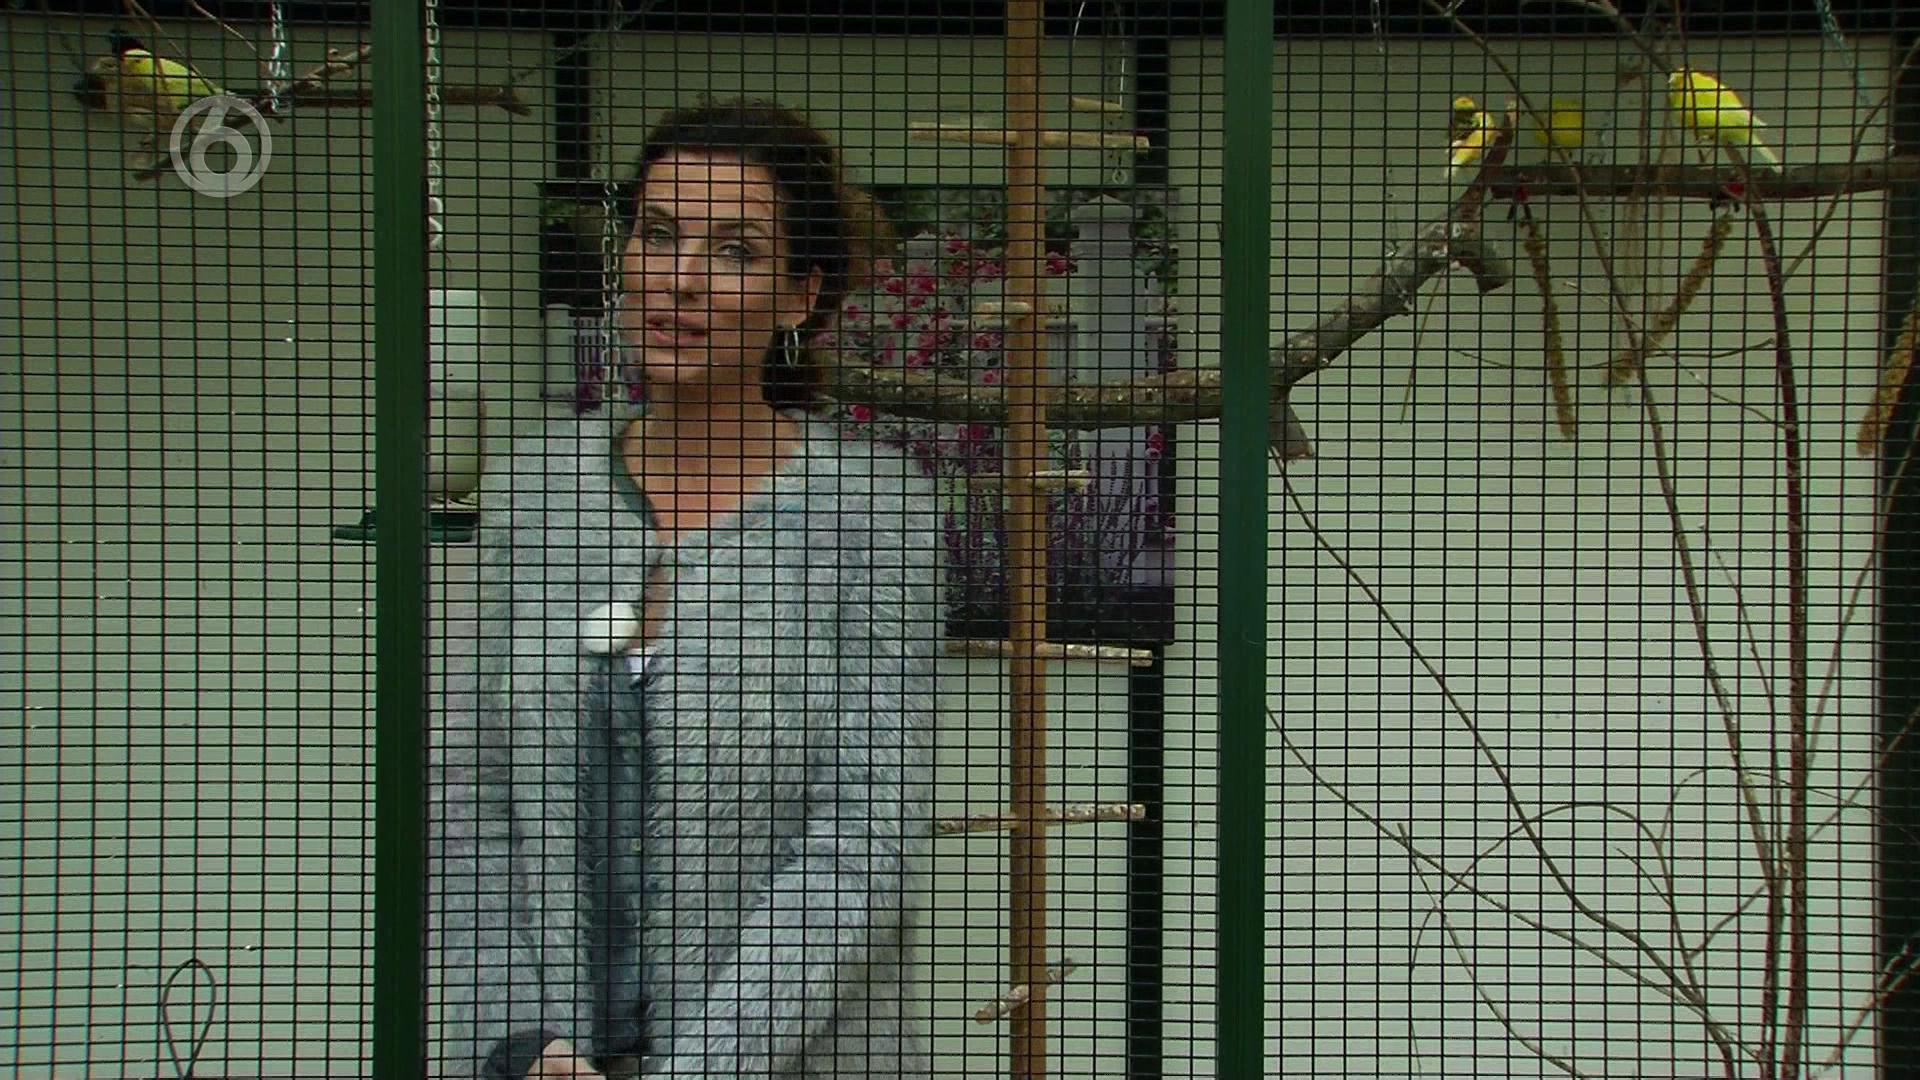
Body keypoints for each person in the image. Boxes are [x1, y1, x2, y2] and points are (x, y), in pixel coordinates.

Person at [427, 99, 940, 1080]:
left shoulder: (874, 513)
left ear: (799, 296)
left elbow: (863, 842)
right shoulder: (536, 492)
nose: (681, 278)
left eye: (735, 250)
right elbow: (469, 797)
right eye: (658, 234)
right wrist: (525, 1039)